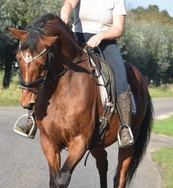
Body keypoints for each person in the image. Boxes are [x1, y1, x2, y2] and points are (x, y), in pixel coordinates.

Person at [16, 0, 135, 148]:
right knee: (45, 66)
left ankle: (124, 127)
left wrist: (102, 36)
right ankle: (32, 118)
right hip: (75, 38)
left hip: (105, 43)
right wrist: (64, 18)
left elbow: (118, 28)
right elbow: (68, 4)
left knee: (121, 80)